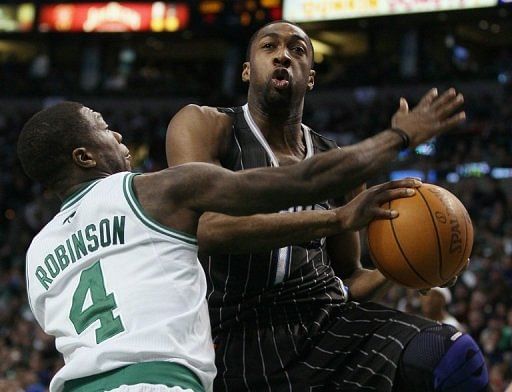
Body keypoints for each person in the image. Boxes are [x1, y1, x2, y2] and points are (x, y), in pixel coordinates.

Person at [18, 102, 436, 392]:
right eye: (103, 125)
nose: (117, 132)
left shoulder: (36, 254)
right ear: (85, 156)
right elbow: (303, 182)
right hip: (161, 381)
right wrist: (398, 136)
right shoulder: (153, 192)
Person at [166, 20, 489, 391]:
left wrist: (420, 262)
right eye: (269, 47)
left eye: (297, 50)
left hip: (327, 325)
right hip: (237, 333)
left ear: (311, 78)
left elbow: (351, 277)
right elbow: (207, 229)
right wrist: (334, 219)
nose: (283, 56)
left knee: (453, 360)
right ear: (246, 70)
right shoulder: (205, 126)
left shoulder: (335, 160)